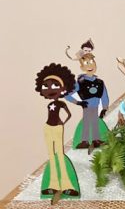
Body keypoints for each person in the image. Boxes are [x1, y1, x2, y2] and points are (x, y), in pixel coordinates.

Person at [35, 63, 80, 201]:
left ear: (63, 88)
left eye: (55, 85)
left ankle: (67, 186)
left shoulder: (61, 103)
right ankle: (52, 185)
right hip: (47, 128)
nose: (50, 89)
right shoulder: (50, 104)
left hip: (57, 128)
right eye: (46, 86)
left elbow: (69, 115)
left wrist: (63, 123)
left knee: (60, 154)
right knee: (51, 155)